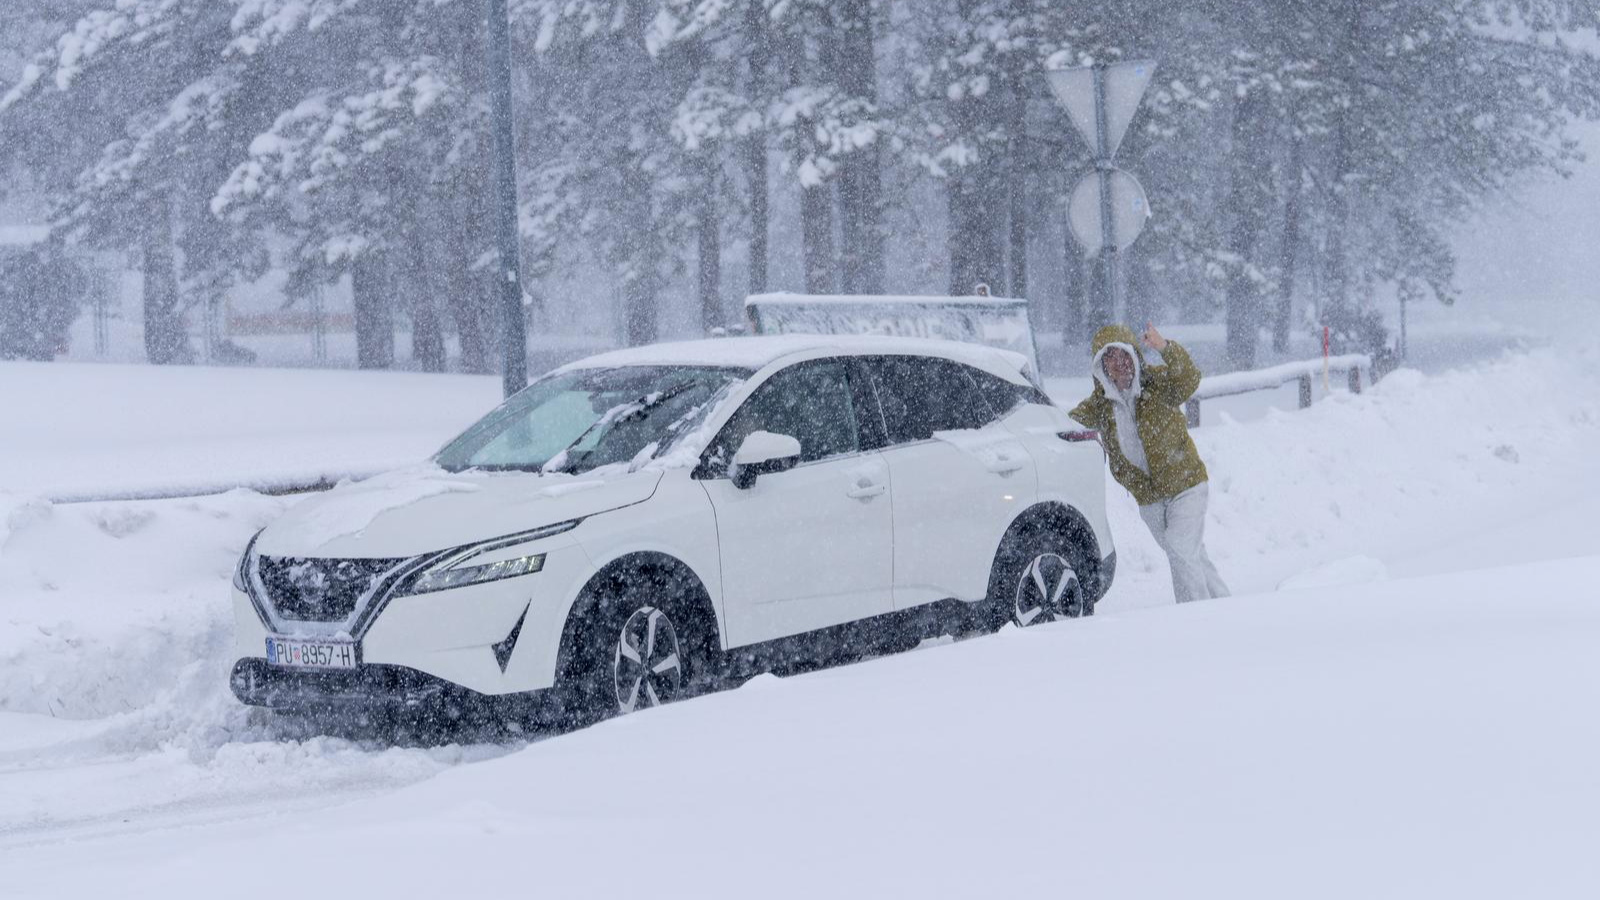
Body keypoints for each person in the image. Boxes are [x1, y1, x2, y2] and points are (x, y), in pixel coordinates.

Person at [1069, 322, 1230, 604]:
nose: (1120, 364)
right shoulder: (1100, 405)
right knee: (1188, 555)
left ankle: (1197, 619)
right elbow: (1065, 424)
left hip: (1186, 485)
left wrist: (1165, 347)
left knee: (1181, 549)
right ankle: (1224, 604)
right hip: (1150, 499)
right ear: (1101, 366)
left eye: (1124, 355)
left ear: (1134, 356)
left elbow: (1189, 379)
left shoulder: (1158, 385)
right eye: (1110, 358)